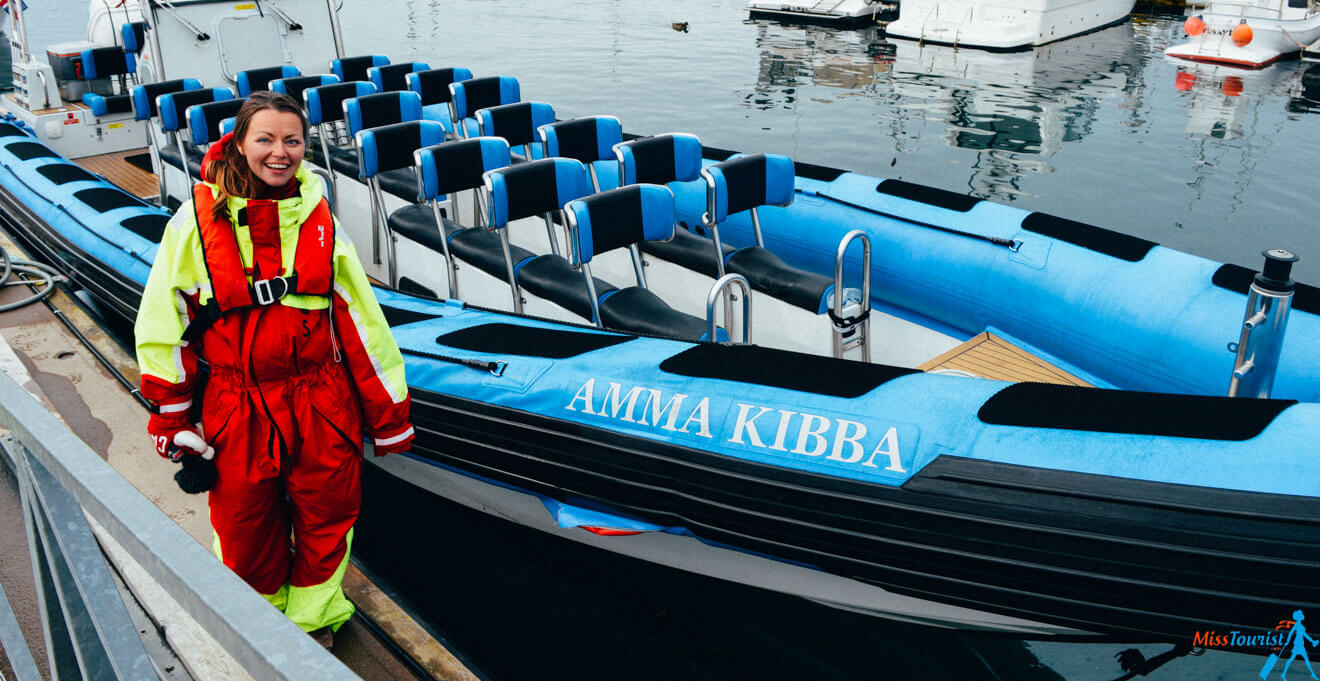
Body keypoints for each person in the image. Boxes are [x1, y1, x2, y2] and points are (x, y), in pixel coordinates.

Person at [134, 91, 414, 648]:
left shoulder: (321, 219)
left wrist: (388, 414)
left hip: (320, 401)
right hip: (236, 405)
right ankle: (259, 628)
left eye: (292, 141)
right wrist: (171, 419)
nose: (279, 152)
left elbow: (360, 320)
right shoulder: (193, 223)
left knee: (327, 520)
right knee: (242, 528)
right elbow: (164, 325)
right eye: (265, 139)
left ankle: (312, 623)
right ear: (240, 142)